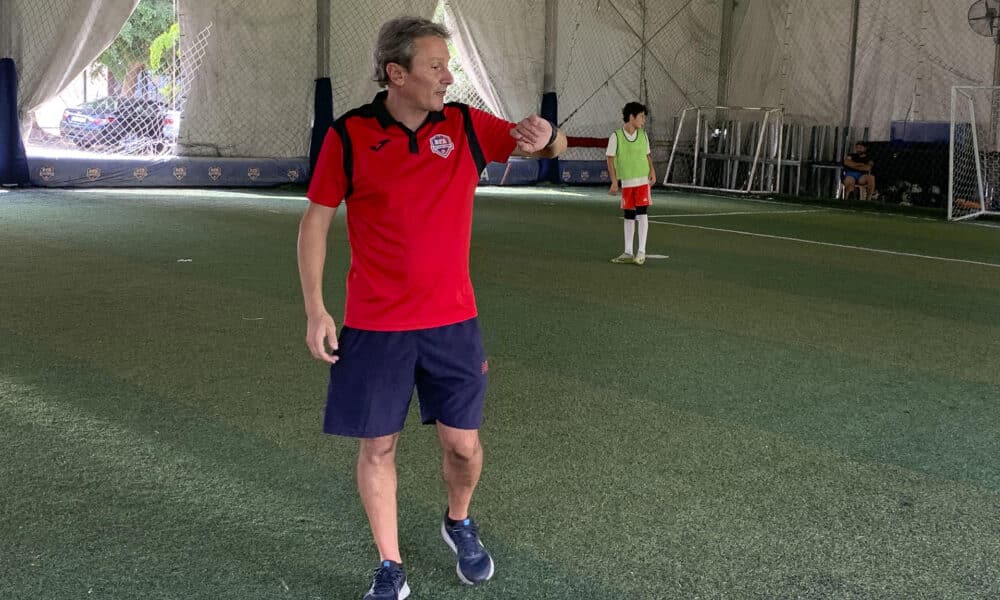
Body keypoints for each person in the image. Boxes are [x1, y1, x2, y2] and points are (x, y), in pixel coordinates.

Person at [297, 16, 567, 600]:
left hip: (453, 322)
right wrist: (317, 308)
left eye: (449, 65)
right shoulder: (349, 136)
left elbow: (551, 147)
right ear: (397, 73)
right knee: (379, 446)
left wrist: (547, 133)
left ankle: (458, 521)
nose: (448, 77)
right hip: (375, 325)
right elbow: (316, 220)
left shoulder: (466, 126)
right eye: (436, 66)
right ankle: (390, 567)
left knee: (463, 446)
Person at [607, 101, 656, 265]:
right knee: (628, 215)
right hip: (627, 183)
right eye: (641, 116)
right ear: (631, 117)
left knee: (642, 213)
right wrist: (614, 181)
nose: (643, 120)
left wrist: (653, 172)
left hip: (642, 181)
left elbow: (648, 155)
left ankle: (641, 251)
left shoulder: (643, 135)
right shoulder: (616, 136)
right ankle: (628, 252)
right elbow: (610, 159)